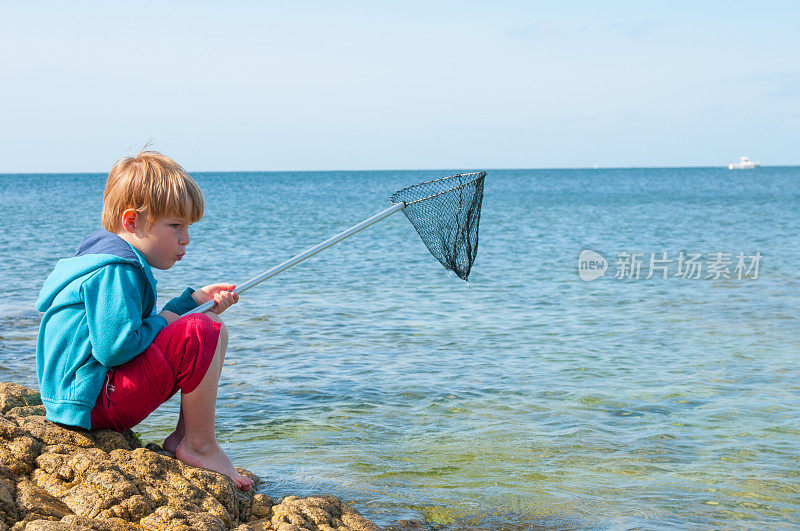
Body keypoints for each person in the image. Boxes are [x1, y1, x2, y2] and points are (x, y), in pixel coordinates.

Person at [35, 150, 253, 490]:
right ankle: (200, 445)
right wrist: (169, 318)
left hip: (86, 397)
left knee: (210, 323)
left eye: (189, 227)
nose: (186, 239)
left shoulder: (107, 258)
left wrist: (191, 303)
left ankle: (185, 438)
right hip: (91, 405)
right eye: (176, 226)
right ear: (132, 221)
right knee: (202, 331)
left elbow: (130, 333)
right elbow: (115, 348)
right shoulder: (116, 270)